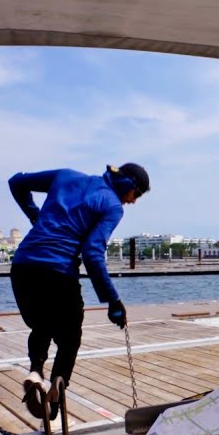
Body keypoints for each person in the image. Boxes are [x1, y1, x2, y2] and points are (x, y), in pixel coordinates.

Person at [8, 163, 150, 420]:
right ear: (128, 185)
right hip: (58, 272)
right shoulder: (111, 205)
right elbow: (93, 254)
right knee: (70, 338)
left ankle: (35, 371)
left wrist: (35, 216)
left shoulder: (65, 176)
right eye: (136, 195)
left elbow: (16, 182)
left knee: (43, 324)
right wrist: (113, 301)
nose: (134, 202)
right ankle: (53, 407)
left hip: (22, 268)